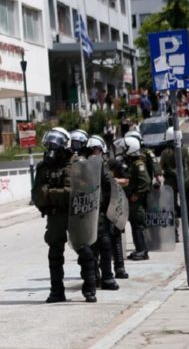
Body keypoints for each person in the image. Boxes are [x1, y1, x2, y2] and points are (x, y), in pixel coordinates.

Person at [32, 127, 97, 303]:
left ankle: (90, 289)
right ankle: (57, 292)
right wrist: (61, 193)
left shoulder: (78, 164)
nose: (52, 148)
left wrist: (50, 192)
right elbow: (37, 195)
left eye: (56, 144)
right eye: (49, 144)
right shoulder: (43, 167)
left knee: (85, 250)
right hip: (55, 215)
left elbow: (82, 191)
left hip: (76, 214)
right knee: (55, 254)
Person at [86, 136, 120, 291]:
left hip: (100, 211)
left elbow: (110, 183)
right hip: (86, 211)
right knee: (90, 247)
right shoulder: (80, 164)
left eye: (97, 149)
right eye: (92, 149)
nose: (94, 152)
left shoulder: (102, 165)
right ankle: (94, 278)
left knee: (105, 244)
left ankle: (107, 277)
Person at [159, 127, 189, 242]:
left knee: (171, 209)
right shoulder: (186, 149)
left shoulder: (165, 153)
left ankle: (174, 235)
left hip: (170, 183)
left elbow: (161, 166)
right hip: (186, 181)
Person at [114, 138, 151, 260]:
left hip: (137, 202)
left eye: (125, 148)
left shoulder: (138, 164)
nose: (122, 151)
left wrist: (137, 194)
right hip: (131, 201)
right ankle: (139, 249)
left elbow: (145, 181)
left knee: (138, 226)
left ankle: (143, 251)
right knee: (135, 225)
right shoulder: (131, 163)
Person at [107, 154, 130, 279]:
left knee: (115, 235)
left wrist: (113, 181)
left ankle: (119, 267)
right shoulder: (88, 164)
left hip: (114, 205)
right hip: (98, 207)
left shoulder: (113, 163)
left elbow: (126, 180)